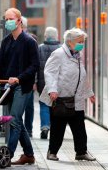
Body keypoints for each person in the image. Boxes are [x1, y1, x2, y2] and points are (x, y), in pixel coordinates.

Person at [0, 7, 39, 165]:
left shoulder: (29, 41)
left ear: (19, 21)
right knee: (17, 121)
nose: (8, 22)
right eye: (6, 19)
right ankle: (29, 154)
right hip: (7, 87)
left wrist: (18, 78)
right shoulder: (6, 41)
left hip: (22, 87)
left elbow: (35, 66)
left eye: (10, 19)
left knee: (14, 120)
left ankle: (7, 155)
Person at [39, 28, 96, 162]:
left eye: (83, 41)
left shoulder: (77, 55)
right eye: (79, 41)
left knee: (79, 128)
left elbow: (82, 76)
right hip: (60, 98)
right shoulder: (58, 54)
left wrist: (89, 93)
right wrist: (52, 90)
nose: (82, 44)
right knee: (58, 127)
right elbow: (50, 72)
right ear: (70, 42)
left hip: (76, 98)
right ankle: (52, 152)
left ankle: (81, 152)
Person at [37, 27, 60, 139]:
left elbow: (36, 66)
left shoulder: (40, 48)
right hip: (58, 83)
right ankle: (55, 129)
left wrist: (35, 81)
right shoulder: (60, 49)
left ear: (45, 36)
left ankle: (45, 127)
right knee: (56, 106)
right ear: (56, 36)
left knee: (44, 104)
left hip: (43, 82)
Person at [21, 16, 37, 138]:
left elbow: (35, 64)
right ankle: (23, 130)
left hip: (28, 80)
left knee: (29, 107)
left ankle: (28, 130)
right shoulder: (9, 39)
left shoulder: (32, 40)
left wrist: (35, 81)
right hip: (16, 80)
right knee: (17, 110)